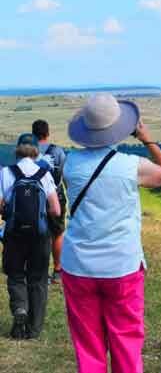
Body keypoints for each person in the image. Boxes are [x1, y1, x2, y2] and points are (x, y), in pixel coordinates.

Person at [61, 93, 161, 373]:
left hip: (78, 265)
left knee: (88, 342)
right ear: (120, 127)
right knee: (126, 338)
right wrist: (145, 137)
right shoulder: (129, 166)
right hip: (121, 265)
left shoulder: (70, 164)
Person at [0, 133, 61, 340]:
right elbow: (56, 209)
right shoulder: (44, 174)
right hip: (40, 235)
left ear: (17, 149)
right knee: (38, 279)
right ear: (37, 151)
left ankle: (20, 309)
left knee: (16, 275)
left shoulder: (6, 172)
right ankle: (34, 330)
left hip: (14, 234)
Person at [32, 119, 67, 284]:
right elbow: (64, 175)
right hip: (57, 196)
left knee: (38, 235)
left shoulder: (28, 151)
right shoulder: (58, 151)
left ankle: (40, 271)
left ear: (33, 134)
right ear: (48, 133)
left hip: (34, 197)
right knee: (57, 233)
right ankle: (58, 270)